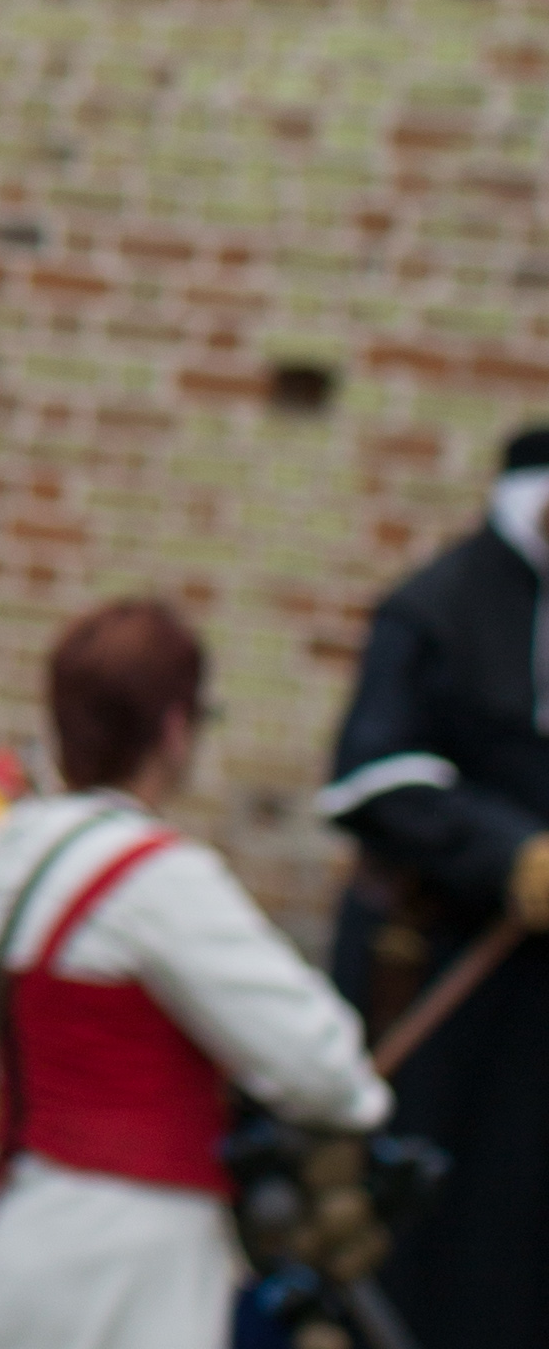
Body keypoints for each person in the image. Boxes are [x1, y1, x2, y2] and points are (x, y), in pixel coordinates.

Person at [0, 599, 385, 1349]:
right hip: (127, 1248)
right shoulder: (157, 878)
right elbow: (321, 1063)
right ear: (175, 727)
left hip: (1, 1219)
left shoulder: (2, 861)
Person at [316, 421, 549, 1344]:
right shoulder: (437, 607)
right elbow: (372, 777)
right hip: (439, 966)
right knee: (436, 1220)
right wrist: (509, 855)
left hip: (537, 993)